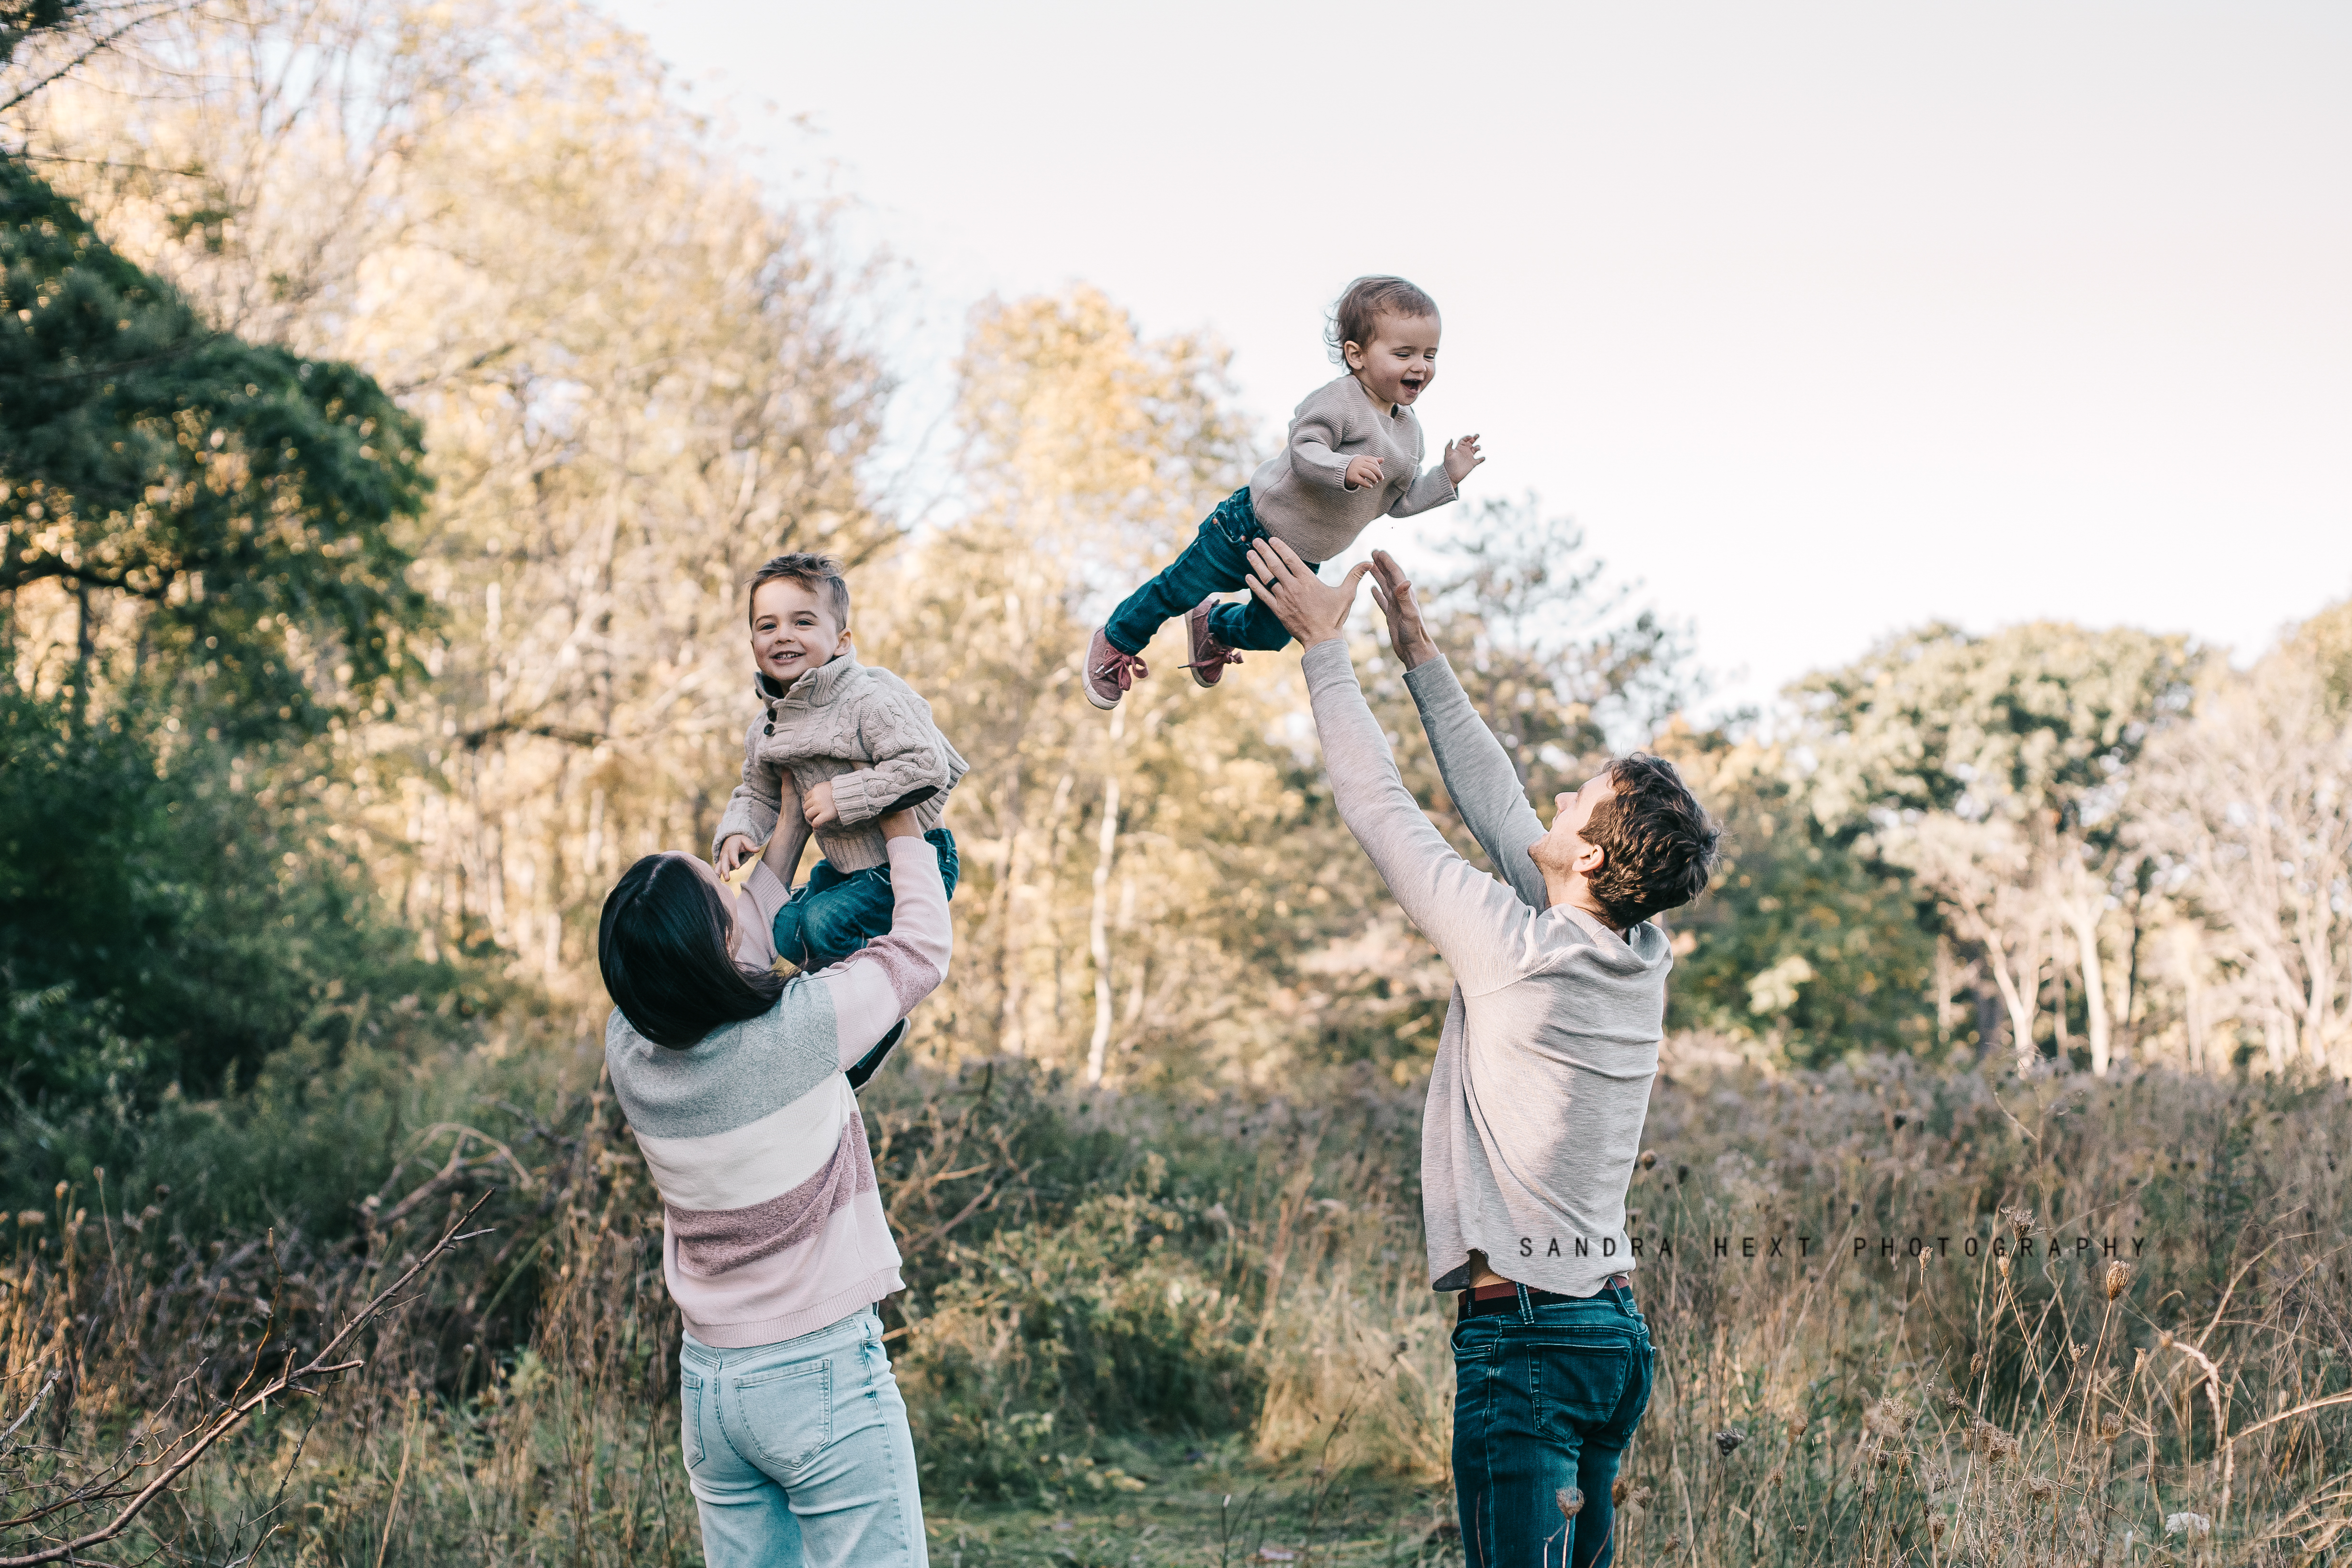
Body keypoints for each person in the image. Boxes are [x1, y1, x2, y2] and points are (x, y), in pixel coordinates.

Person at [1240, 535, 1720, 1568]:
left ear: (1587, 853)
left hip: (1532, 1341)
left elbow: (1381, 810)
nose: (1552, 799)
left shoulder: (1515, 953)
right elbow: (1499, 809)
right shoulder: (1638, 949)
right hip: (1606, 1335)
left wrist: (1326, 649)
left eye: (1576, 800)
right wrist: (1419, 658)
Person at [597, 800, 949, 1568]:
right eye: (728, 896)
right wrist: (898, 821)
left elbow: (730, 945)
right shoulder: (796, 1033)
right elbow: (920, 947)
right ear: (717, 942)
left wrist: (788, 819)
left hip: (711, 1389)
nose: (745, 898)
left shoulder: (628, 1048)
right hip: (819, 1372)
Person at [1080, 275, 1485, 710]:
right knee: (1177, 590)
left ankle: (1214, 627)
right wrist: (1343, 467)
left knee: (1273, 633)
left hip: (1301, 554)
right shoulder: (1342, 400)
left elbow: (1399, 501)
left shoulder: (1410, 436)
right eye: (1403, 354)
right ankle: (1118, 638)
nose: (1420, 366)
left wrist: (1447, 478)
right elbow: (1303, 448)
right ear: (1357, 356)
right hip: (1248, 528)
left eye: (1429, 355)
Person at [712, 553, 965, 1075]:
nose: (783, 635)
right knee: (788, 929)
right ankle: (841, 1004)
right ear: (753, 643)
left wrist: (844, 795)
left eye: (802, 621)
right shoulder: (766, 727)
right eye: (767, 625)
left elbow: (927, 764)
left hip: (913, 862)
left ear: (842, 641)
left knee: (824, 923)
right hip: (850, 871)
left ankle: (873, 1025)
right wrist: (738, 831)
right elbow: (757, 791)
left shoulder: (866, 700)